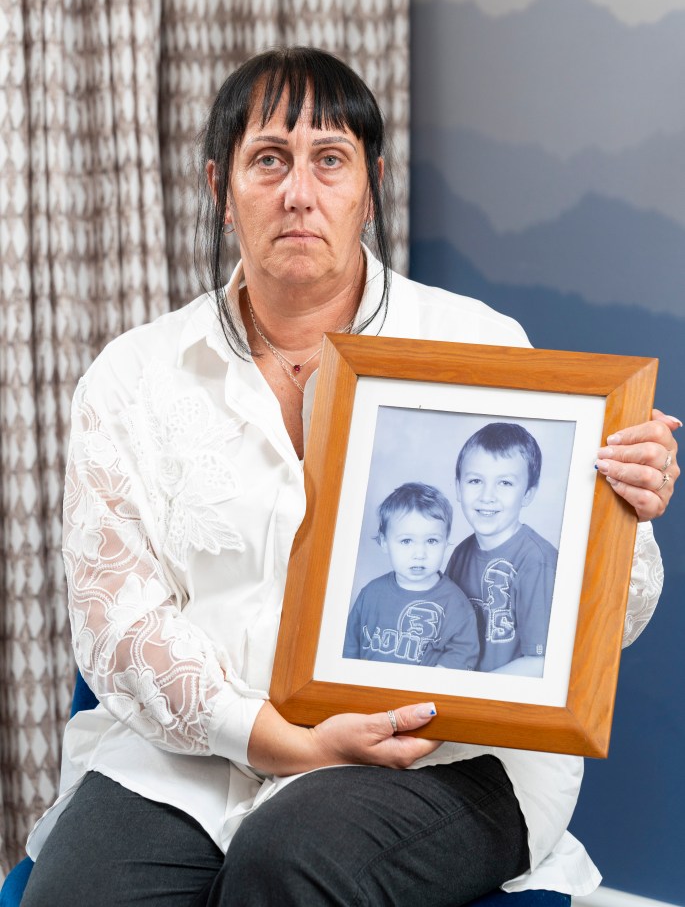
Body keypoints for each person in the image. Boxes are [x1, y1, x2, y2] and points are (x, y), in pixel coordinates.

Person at [21, 47, 680, 907]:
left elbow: (602, 617)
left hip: (444, 754)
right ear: (221, 190)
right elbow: (116, 622)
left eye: (329, 160)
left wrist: (628, 505)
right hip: (190, 757)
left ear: (368, 185)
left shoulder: (479, 348)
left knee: (288, 861)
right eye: (269, 160)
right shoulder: (134, 374)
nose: (299, 192)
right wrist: (278, 740)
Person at [446, 422, 557, 676]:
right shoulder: (460, 554)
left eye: (505, 483)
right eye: (475, 480)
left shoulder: (538, 562)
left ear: (528, 493)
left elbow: (541, 664)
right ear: (458, 488)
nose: (487, 496)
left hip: (507, 703)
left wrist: (470, 691)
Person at [343, 481, 479, 668]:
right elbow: (348, 649)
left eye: (432, 541)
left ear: (446, 542)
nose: (420, 554)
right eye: (406, 541)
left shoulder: (455, 604)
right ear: (384, 542)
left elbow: (462, 655)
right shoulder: (370, 594)